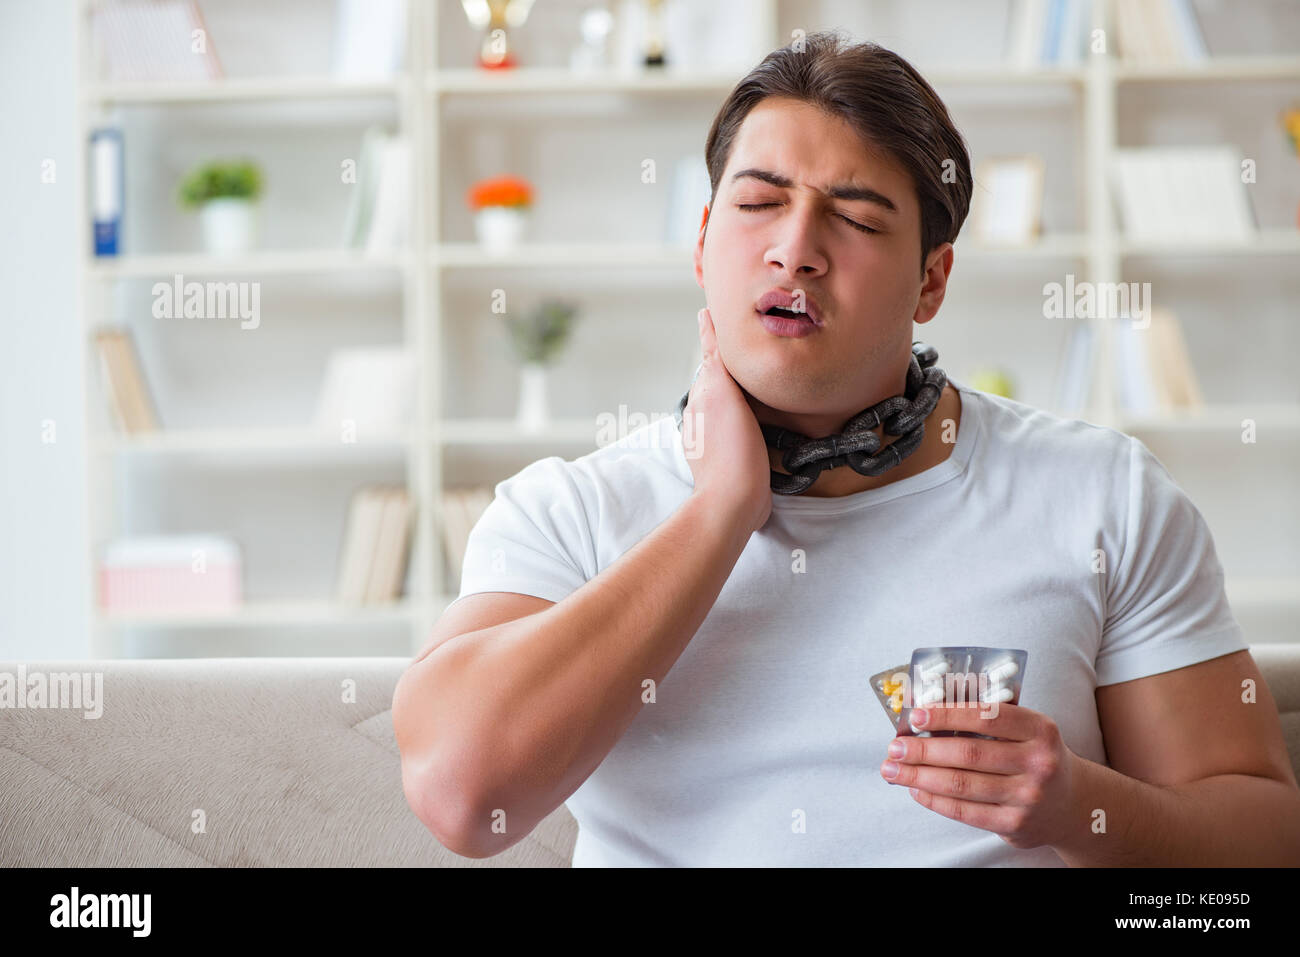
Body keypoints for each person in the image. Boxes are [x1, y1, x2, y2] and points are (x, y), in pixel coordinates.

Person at [392, 31, 1300, 866]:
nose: (796, 250)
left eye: (857, 220)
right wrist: (718, 512)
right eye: (757, 204)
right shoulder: (567, 510)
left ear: (931, 280)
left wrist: (1081, 806)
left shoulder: (1104, 494)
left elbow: (1259, 845)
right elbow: (465, 800)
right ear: (704, 240)